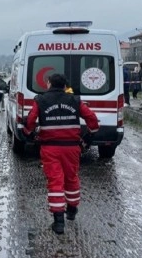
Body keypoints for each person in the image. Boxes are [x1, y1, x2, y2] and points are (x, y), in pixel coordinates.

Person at [23, 73, 99, 234]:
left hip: (50, 148)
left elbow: (30, 121)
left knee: (55, 181)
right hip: (72, 147)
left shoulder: (40, 100)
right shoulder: (75, 100)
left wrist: (29, 134)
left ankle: (58, 222)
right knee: (71, 177)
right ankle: (71, 210)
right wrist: (89, 136)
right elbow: (92, 118)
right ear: (65, 86)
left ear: (49, 83)